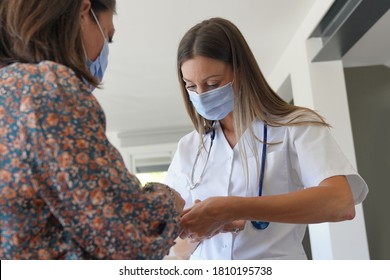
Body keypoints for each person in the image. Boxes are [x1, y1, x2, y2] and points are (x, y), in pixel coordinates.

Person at [164, 17, 368, 260]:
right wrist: (204, 227)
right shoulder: (189, 147)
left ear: (241, 72)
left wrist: (230, 208)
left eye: (212, 84)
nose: (201, 95)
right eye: (191, 86)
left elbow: (340, 203)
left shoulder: (295, 126)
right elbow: (178, 249)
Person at [0, 0, 184, 260]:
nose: (104, 51)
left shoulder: (9, 90)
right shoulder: (45, 90)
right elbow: (130, 235)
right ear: (84, 13)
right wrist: (168, 199)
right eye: (108, 37)